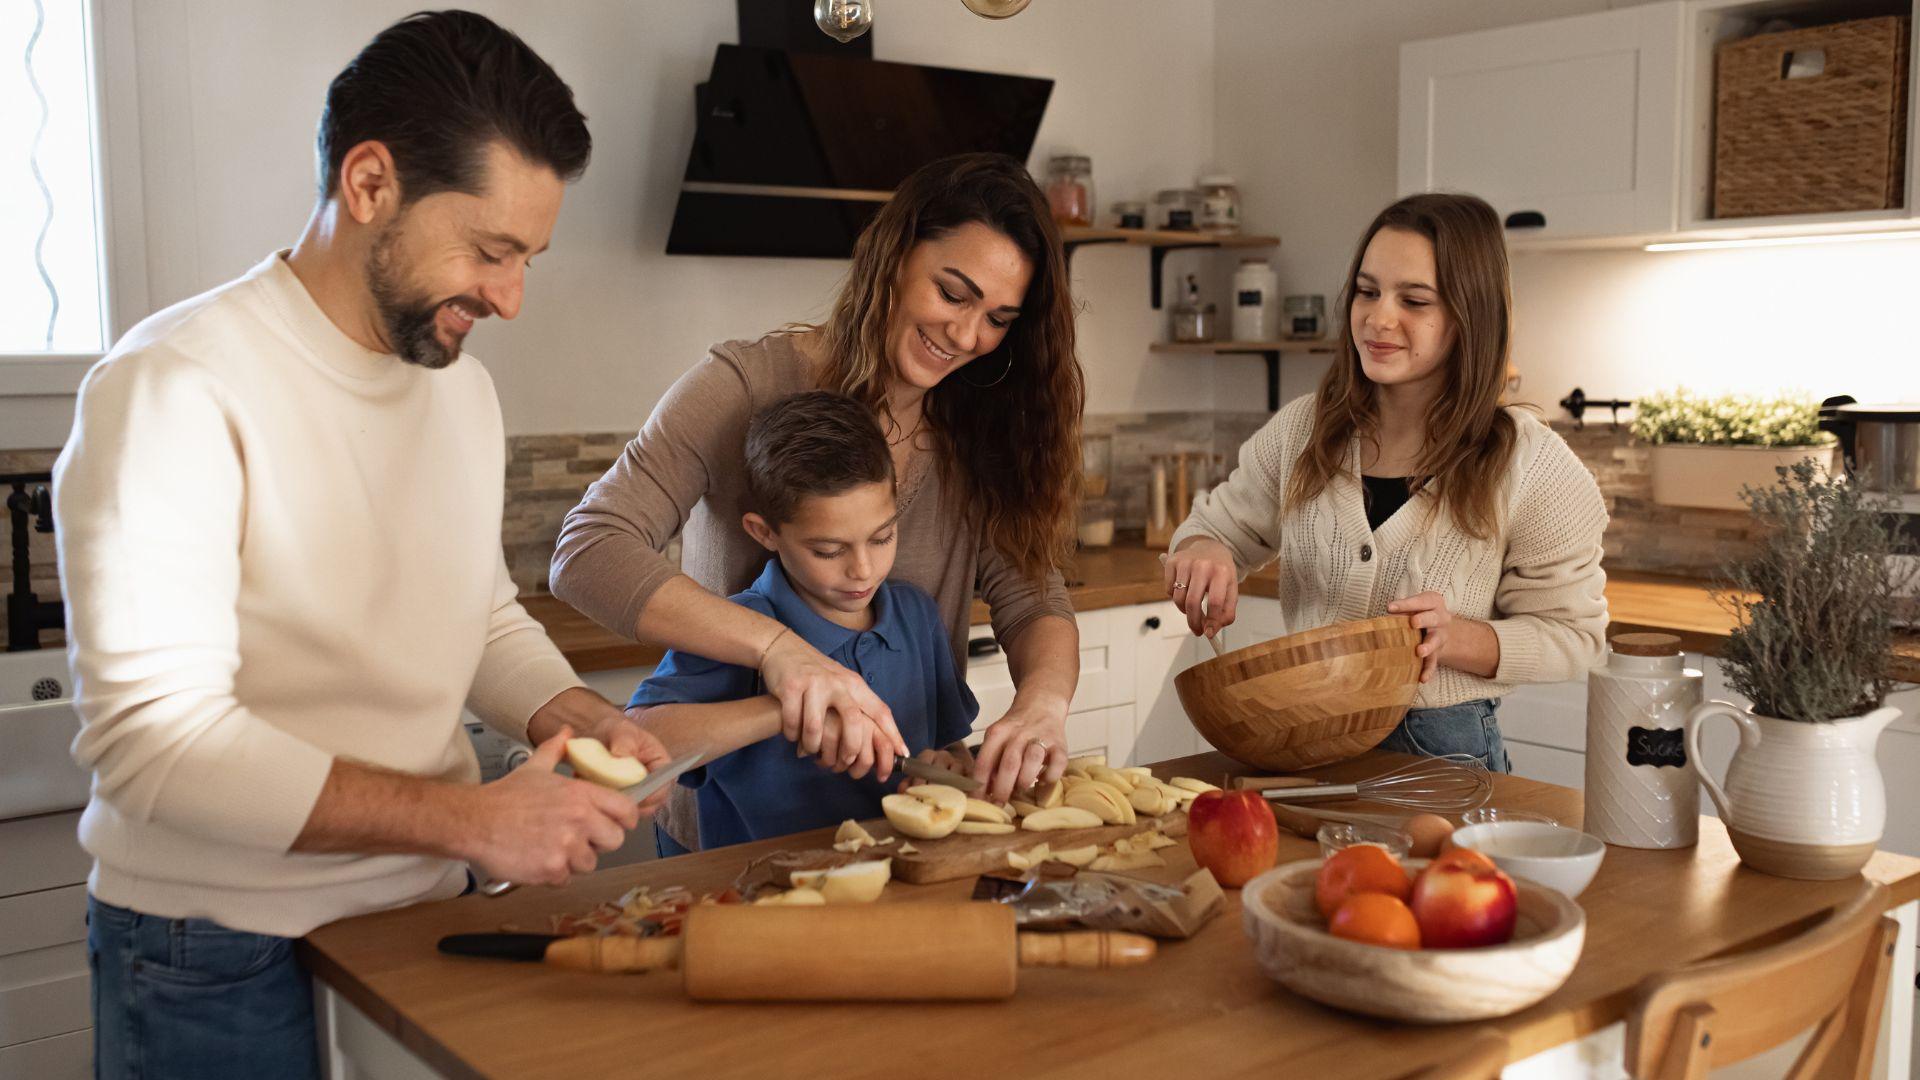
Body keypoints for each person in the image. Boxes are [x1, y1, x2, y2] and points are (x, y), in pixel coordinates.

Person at [53, 13, 670, 1077]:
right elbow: (154, 746)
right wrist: (474, 821)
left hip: (415, 914)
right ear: (371, 182)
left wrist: (570, 711)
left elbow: (474, 616)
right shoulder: (175, 388)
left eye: (527, 258)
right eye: (490, 250)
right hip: (216, 950)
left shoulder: (458, 393)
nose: (511, 298)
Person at [552, 151, 1084, 853]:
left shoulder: (982, 425)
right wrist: (780, 652)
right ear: (892, 257)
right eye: (953, 293)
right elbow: (589, 551)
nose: (966, 336)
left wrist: (1042, 704)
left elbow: (1034, 598)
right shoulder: (744, 384)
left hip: (895, 836)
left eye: (998, 318)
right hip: (732, 841)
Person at [1161, 193, 1608, 772]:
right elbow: (1212, 529)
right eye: (1368, 291)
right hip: (1299, 736)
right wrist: (1203, 554)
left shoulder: (1530, 464)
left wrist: (1455, 637)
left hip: (1442, 752)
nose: (1378, 318)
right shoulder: (1303, 430)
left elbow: (1576, 638)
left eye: (1414, 299)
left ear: (1470, 315)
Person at [625, 392, 978, 848]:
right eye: (828, 551)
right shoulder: (737, 628)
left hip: (894, 884)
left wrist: (945, 769)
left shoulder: (916, 615)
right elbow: (640, 739)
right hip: (761, 893)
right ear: (765, 532)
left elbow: (948, 747)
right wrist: (784, 710)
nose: (863, 570)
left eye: (882, 537)